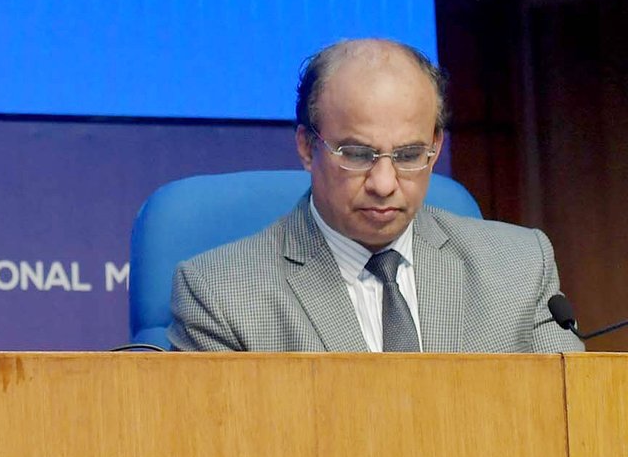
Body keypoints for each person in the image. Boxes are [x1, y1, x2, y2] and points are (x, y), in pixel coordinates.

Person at [168, 38, 582, 352]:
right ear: (307, 147)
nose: (384, 183)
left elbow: (572, 427)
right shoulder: (220, 294)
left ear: (435, 147)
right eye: (357, 154)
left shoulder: (518, 269)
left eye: (408, 155)